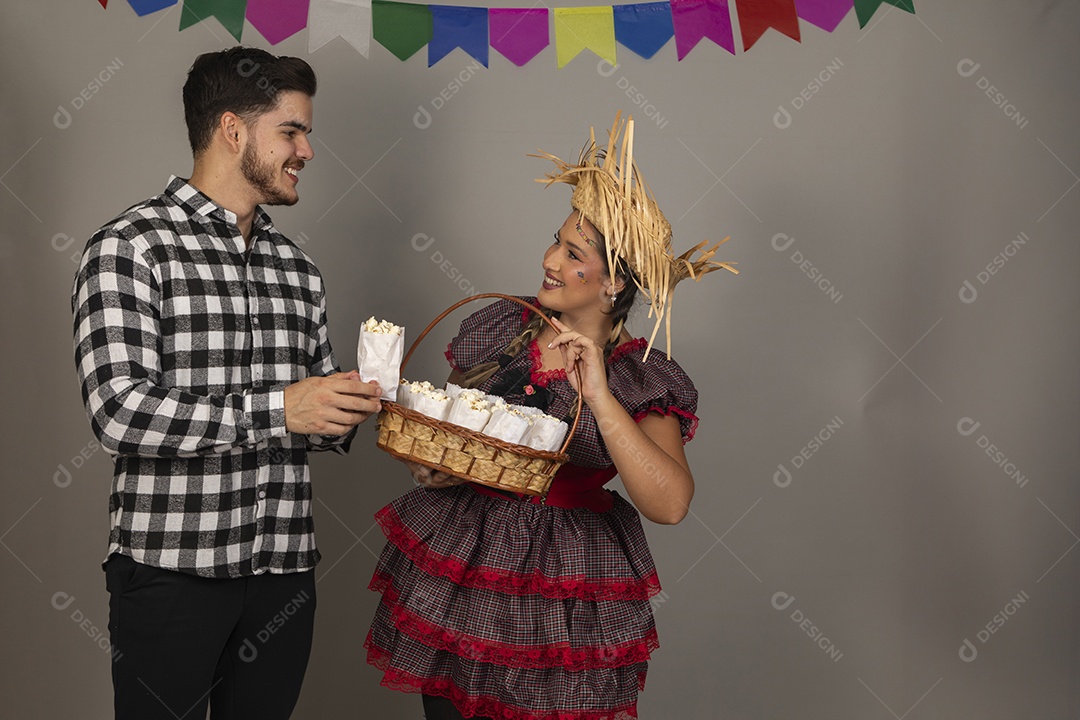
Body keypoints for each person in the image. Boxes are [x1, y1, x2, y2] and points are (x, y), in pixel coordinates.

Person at [364, 114, 737, 719]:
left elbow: (669, 504)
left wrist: (600, 394)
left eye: (573, 252)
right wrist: (434, 469)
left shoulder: (639, 375)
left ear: (614, 281)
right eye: (555, 241)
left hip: (565, 583)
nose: (549, 259)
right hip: (467, 563)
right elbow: (455, 437)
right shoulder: (498, 330)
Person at [71, 47, 382, 720]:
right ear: (233, 130)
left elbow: (313, 418)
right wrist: (281, 409)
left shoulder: (297, 268)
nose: (307, 150)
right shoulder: (129, 247)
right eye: (292, 131)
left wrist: (360, 407)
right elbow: (120, 412)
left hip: (283, 575)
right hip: (170, 575)